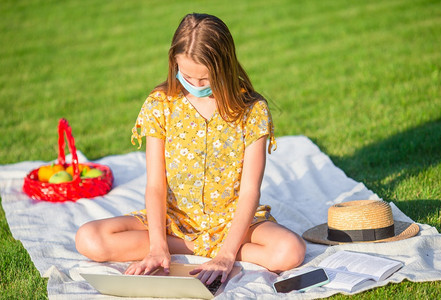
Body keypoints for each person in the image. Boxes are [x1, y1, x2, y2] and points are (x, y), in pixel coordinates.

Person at [75, 13, 306, 285]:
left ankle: (215, 250)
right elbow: (155, 185)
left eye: (205, 80)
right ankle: (190, 248)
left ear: (225, 68)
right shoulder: (159, 104)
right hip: (174, 220)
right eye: (187, 76)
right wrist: (158, 246)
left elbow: (249, 191)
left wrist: (228, 254)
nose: (196, 86)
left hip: (232, 223)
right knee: (88, 238)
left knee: (291, 250)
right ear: (174, 63)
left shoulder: (252, 111)